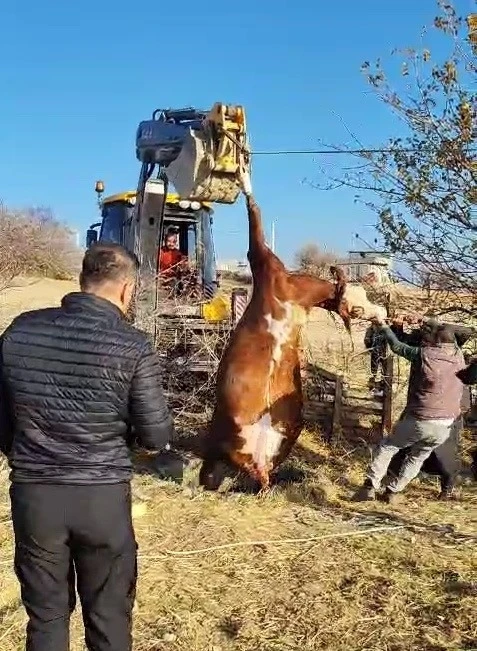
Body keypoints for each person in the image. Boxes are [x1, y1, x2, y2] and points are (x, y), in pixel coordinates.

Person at [0, 242, 175, 651]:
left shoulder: (20, 330)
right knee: (108, 615)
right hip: (102, 499)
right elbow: (157, 436)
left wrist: (25, 452)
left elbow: (1, 417)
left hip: (35, 497)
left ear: (82, 280)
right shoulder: (132, 346)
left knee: (45, 616)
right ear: (127, 289)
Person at [354, 319, 465, 504]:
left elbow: (397, 346)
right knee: (417, 457)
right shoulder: (458, 356)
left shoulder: (424, 355)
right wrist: (428, 321)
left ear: (434, 340)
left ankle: (369, 487)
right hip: (445, 425)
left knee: (388, 446)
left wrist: (384, 326)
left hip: (421, 418)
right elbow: (465, 331)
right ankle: (393, 492)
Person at [384, 318, 476, 499]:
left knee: (446, 453)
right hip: (421, 405)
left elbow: (468, 331)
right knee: (404, 448)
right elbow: (399, 341)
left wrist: (429, 321)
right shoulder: (422, 348)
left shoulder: (453, 347)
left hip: (450, 406)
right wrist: (397, 324)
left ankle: (446, 489)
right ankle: (392, 487)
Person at [364, 323, 388, 393]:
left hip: (381, 353)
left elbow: (367, 340)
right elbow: (367, 340)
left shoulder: (384, 328)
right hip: (377, 352)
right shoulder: (371, 328)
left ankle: (380, 387)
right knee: (375, 370)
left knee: (381, 370)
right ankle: (374, 386)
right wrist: (370, 348)